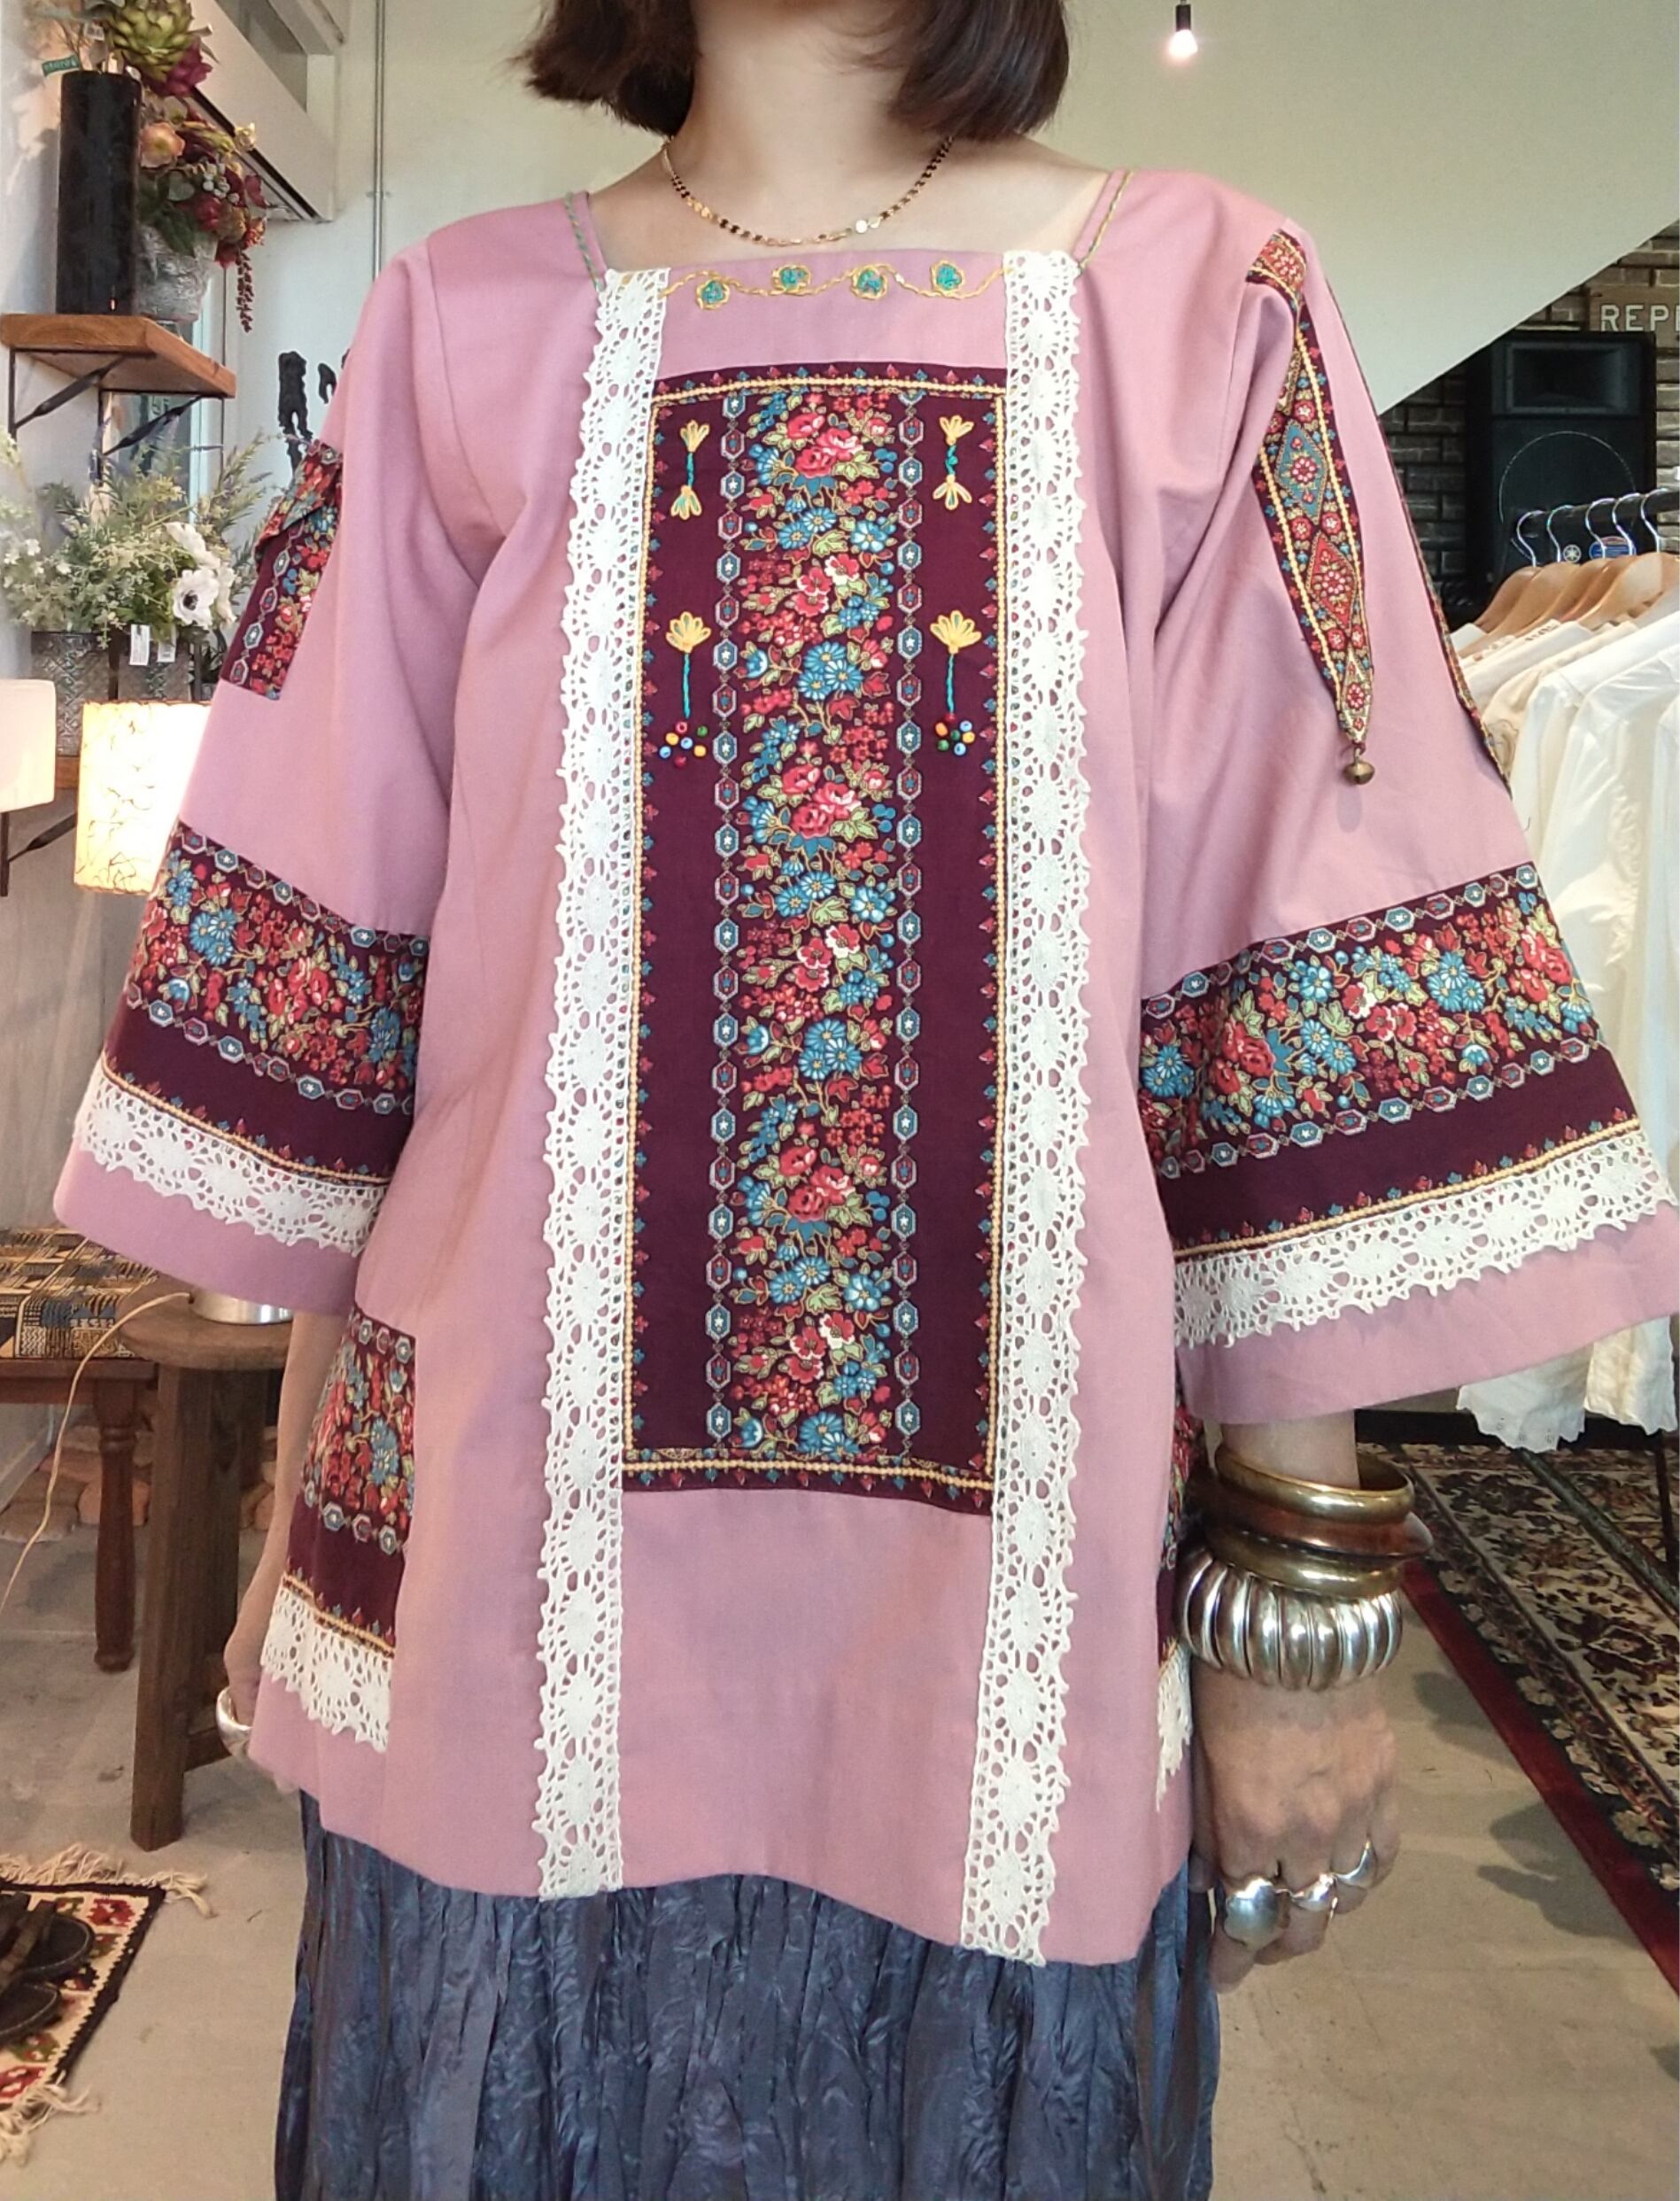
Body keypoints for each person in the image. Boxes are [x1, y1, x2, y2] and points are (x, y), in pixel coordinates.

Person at [55, 2, 1678, 2195]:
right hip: (493, 1567)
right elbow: (362, 1025)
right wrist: (294, 1531)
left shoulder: (1203, 305)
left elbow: (1276, 958)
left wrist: (1301, 1610)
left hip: (1025, 1620)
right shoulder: (466, 320)